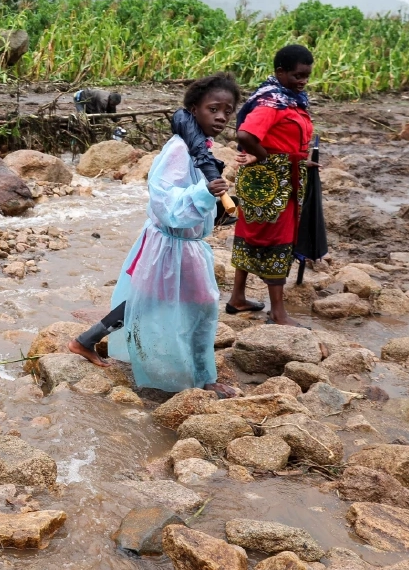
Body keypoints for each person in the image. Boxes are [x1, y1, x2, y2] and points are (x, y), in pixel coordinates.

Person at [69, 73, 240, 396]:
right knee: (170, 303)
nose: (220, 117)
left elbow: (191, 202)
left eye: (227, 111)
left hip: (186, 245)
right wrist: (205, 193)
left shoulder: (200, 147)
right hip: (169, 244)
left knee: (179, 303)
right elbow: (166, 204)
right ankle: (195, 379)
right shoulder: (178, 150)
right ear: (194, 109)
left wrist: (216, 210)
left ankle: (87, 340)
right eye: (213, 109)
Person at [225, 44, 315, 326]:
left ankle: (237, 298)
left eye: (306, 76)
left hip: (278, 177)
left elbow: (283, 141)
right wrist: (266, 157)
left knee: (252, 234)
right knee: (277, 240)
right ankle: (278, 312)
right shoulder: (271, 102)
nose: (302, 81)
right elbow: (246, 133)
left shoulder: (290, 100)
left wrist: (300, 160)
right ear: (280, 72)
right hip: (271, 182)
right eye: (297, 75)